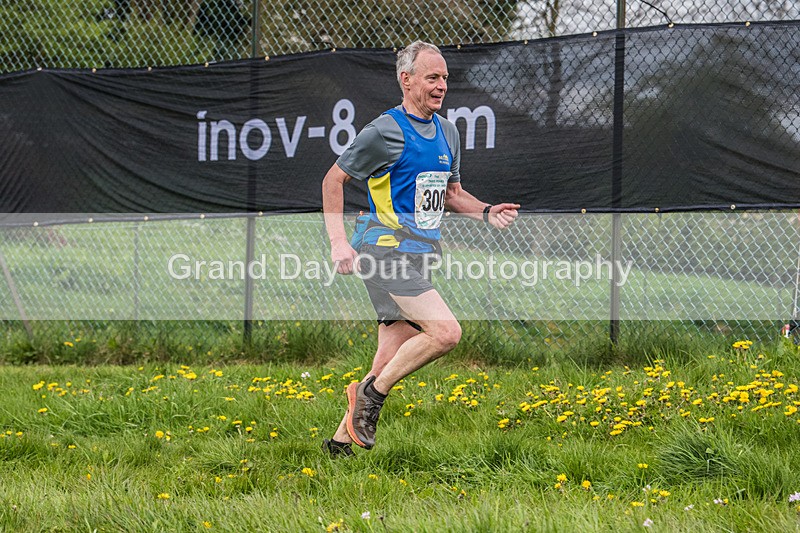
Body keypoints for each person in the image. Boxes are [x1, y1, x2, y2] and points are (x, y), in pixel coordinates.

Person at [321, 41, 520, 456]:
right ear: (406, 80)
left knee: (392, 350)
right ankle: (373, 395)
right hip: (383, 251)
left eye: (445, 78)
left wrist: (486, 210)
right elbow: (332, 180)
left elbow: (451, 194)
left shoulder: (448, 132)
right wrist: (339, 242)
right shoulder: (383, 131)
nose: (442, 85)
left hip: (419, 253)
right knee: (446, 332)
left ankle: (338, 445)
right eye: (432, 77)